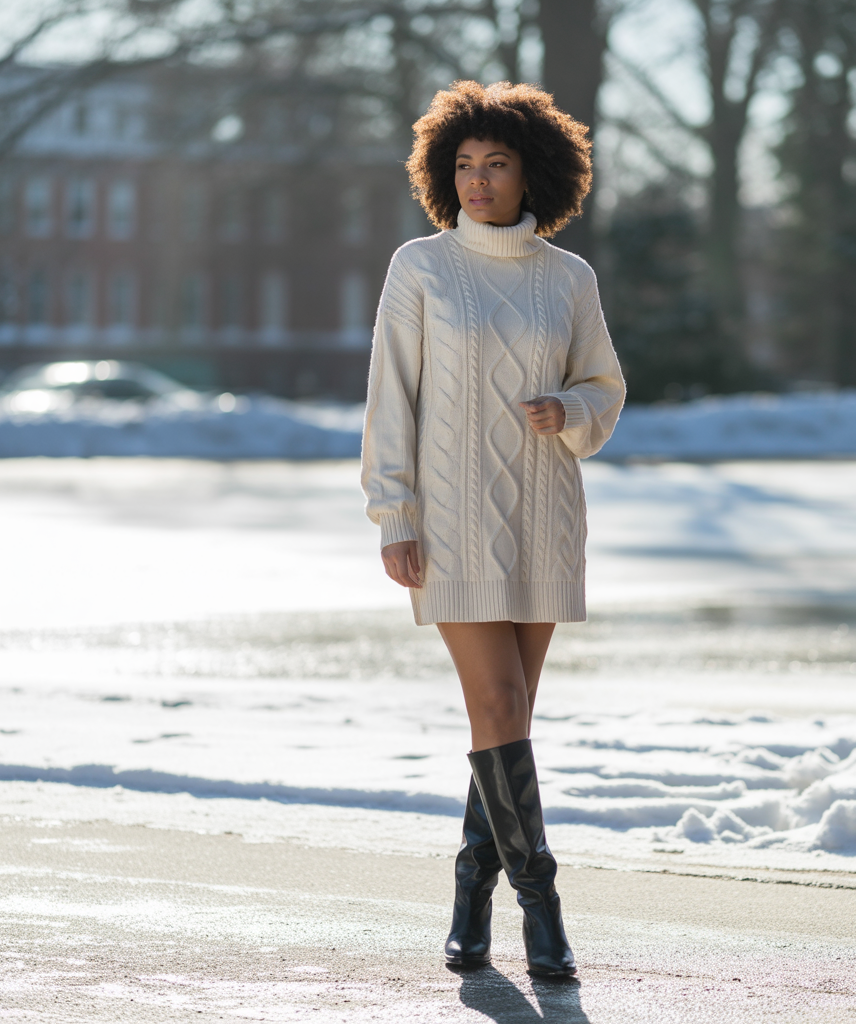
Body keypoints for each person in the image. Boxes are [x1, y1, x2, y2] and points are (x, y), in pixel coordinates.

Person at [360, 80, 625, 977]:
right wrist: (395, 513)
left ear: (531, 173)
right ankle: (541, 910)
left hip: (545, 517)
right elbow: (390, 398)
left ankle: (472, 884)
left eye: (497, 163)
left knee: (503, 723)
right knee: (502, 708)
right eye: (464, 164)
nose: (477, 180)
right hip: (452, 524)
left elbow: (604, 386)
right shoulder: (421, 267)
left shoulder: (569, 278)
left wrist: (569, 408)